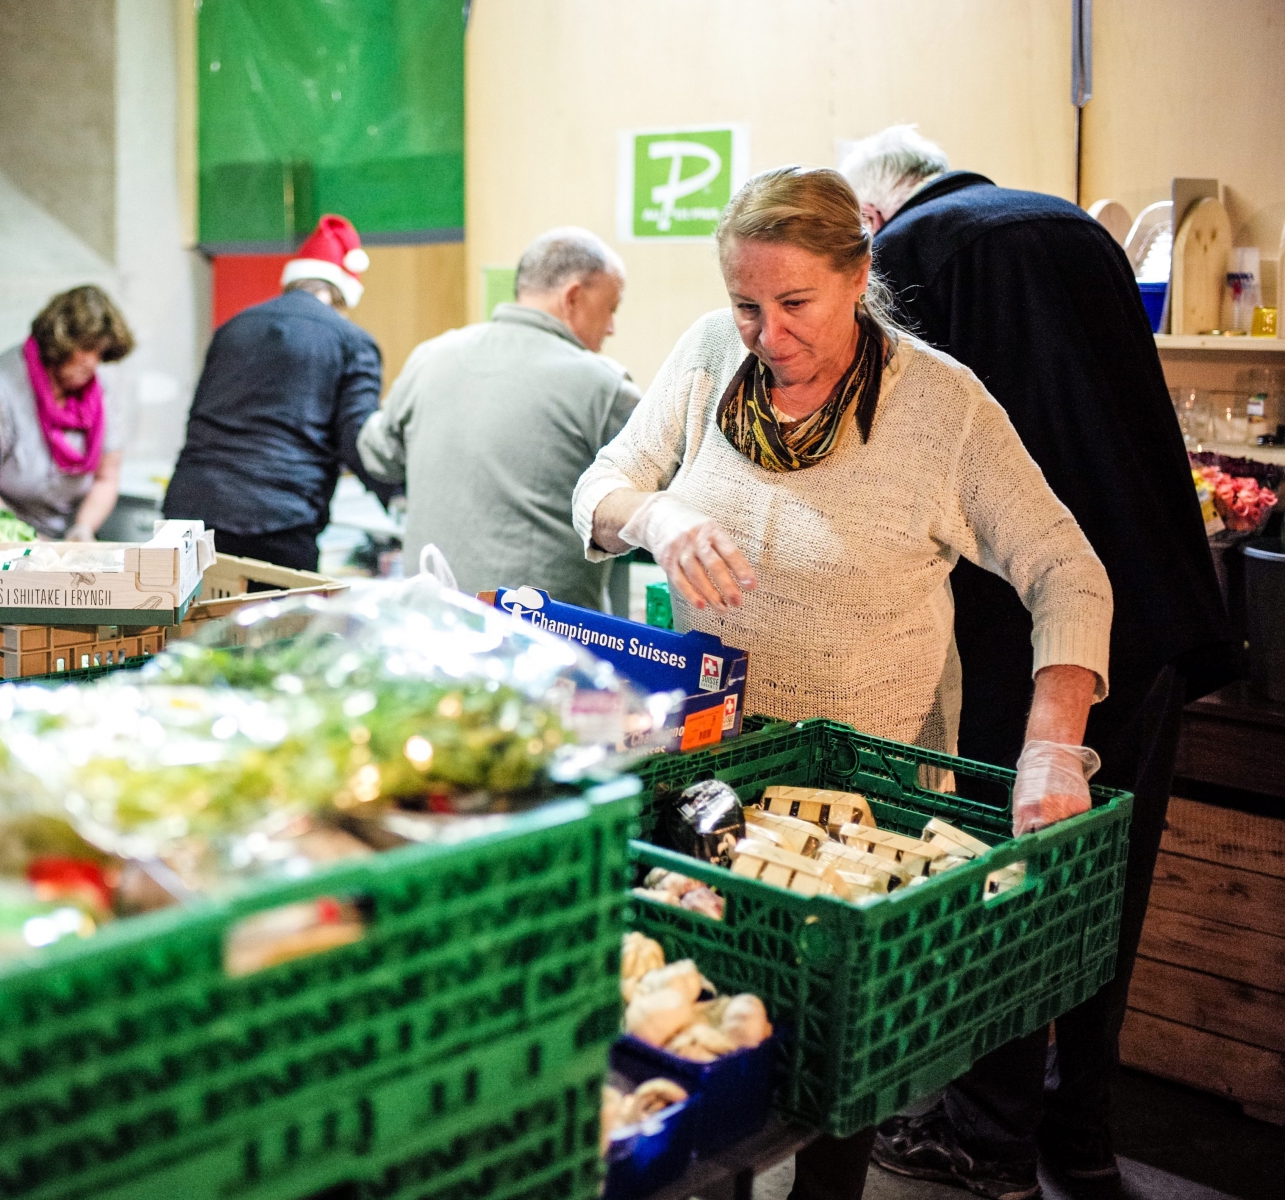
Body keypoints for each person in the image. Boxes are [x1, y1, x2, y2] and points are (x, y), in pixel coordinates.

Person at [571, 166, 1115, 1200]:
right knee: (711, 1038)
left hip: (867, 815)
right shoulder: (702, 361)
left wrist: (1053, 739)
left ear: (859, 275)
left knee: (834, 1072)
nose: (765, 333)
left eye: (794, 305)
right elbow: (600, 488)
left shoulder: (942, 409)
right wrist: (660, 519)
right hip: (717, 780)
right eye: (745, 305)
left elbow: (1067, 570)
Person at [841, 126, 1235, 1199]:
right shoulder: (1075, 231)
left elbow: (885, 447)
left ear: (870, 218)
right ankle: (1083, 1134)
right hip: (1151, 609)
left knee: (1004, 872)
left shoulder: (911, 257)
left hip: (1024, 626)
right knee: (1104, 882)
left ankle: (982, 1134)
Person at [356, 228, 639, 608]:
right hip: (542, 644)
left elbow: (376, 455)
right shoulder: (604, 387)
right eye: (611, 309)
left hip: (429, 624)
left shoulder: (430, 357)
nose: (611, 328)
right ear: (573, 297)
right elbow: (658, 496)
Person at [162, 214, 395, 570]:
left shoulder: (234, 327)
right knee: (284, 626)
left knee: (198, 624)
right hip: (280, 520)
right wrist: (398, 498)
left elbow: (201, 419)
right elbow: (358, 439)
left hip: (193, 510)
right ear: (343, 293)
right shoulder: (353, 342)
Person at [0, 285, 132, 541]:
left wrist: (83, 527)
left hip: (64, 535)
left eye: (100, 353)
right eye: (86, 348)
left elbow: (107, 476)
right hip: (4, 533)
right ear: (60, 341)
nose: (92, 363)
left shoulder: (101, 384)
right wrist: (25, 540)